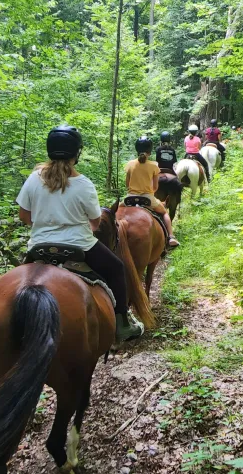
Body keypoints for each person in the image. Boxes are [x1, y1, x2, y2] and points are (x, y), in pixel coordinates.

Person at [16, 125, 143, 342]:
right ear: (77, 153)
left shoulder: (34, 179)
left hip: (38, 246)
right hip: (79, 246)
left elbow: (24, 216)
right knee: (116, 268)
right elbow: (95, 222)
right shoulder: (83, 184)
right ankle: (122, 323)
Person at [125, 137, 180, 247]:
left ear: (137, 150)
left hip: (130, 197)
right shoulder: (154, 166)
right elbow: (155, 187)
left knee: (115, 212)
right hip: (147, 198)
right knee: (164, 212)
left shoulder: (130, 164)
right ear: (150, 151)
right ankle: (171, 237)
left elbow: (127, 184)